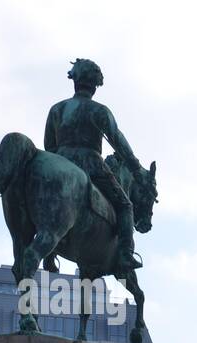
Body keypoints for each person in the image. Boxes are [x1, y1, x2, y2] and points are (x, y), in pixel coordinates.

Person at [43, 59, 143, 270]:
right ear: (95, 86)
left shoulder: (56, 109)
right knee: (126, 206)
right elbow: (118, 141)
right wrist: (135, 169)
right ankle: (125, 254)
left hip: (59, 163)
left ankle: (49, 250)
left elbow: (49, 146)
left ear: (75, 82)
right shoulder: (100, 111)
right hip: (91, 165)